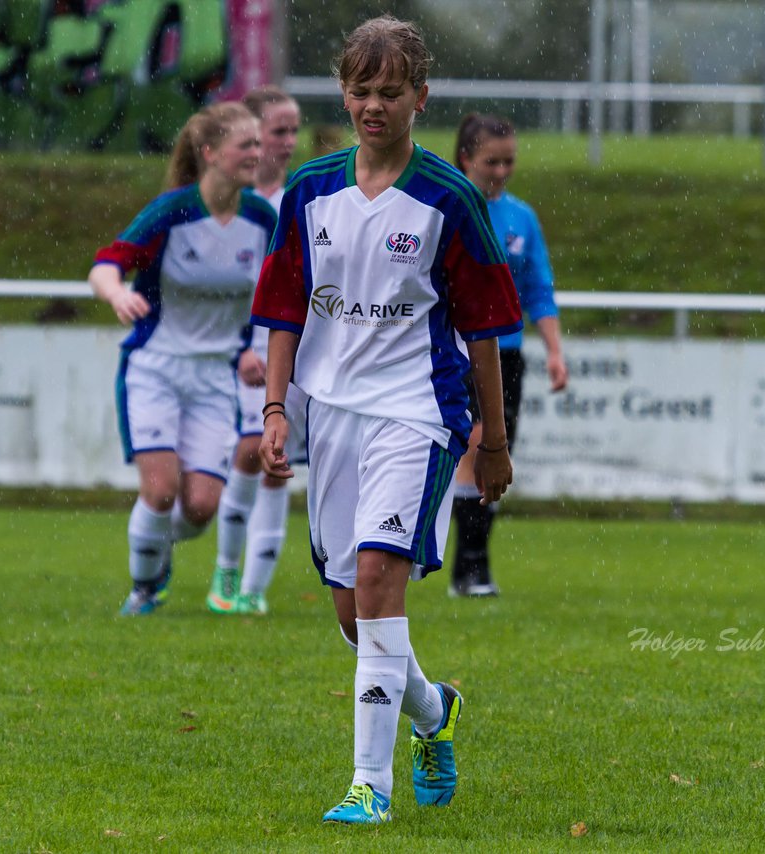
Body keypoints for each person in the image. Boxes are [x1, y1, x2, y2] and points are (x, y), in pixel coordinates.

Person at [252, 16, 522, 824]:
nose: (374, 106)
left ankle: (368, 785)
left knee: (378, 580)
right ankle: (436, 711)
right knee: (351, 611)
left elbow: (484, 332)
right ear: (344, 91)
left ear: (420, 97)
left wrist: (493, 441)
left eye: (391, 92)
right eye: (361, 91)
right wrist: (276, 407)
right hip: (330, 414)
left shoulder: (450, 198)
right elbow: (284, 310)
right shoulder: (310, 190)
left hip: (418, 414)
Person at [88, 101, 275, 616]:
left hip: (217, 377)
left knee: (199, 508)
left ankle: (154, 545)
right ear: (211, 153)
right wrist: (117, 294)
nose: (257, 154)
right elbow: (105, 265)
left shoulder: (261, 218)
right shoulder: (173, 211)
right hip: (155, 369)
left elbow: (282, 291)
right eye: (247, 145)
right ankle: (146, 587)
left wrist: (253, 351)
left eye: (259, 144)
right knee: (162, 490)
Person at [448, 114, 569, 597]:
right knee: (475, 443)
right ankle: (468, 564)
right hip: (455, 351)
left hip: (508, 354)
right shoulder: (448, 208)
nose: (501, 171)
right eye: (491, 161)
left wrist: (555, 351)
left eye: (509, 161)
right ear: (465, 159)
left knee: (497, 454)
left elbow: (539, 288)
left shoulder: (522, 217)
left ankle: (469, 566)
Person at [208, 86, 303, 616]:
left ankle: (255, 587)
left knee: (276, 464)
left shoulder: (302, 200)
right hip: (243, 358)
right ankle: (225, 568)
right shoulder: (231, 207)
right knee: (250, 451)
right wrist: (241, 345)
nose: (288, 142)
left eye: (294, 131)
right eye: (278, 131)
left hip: (289, 358)